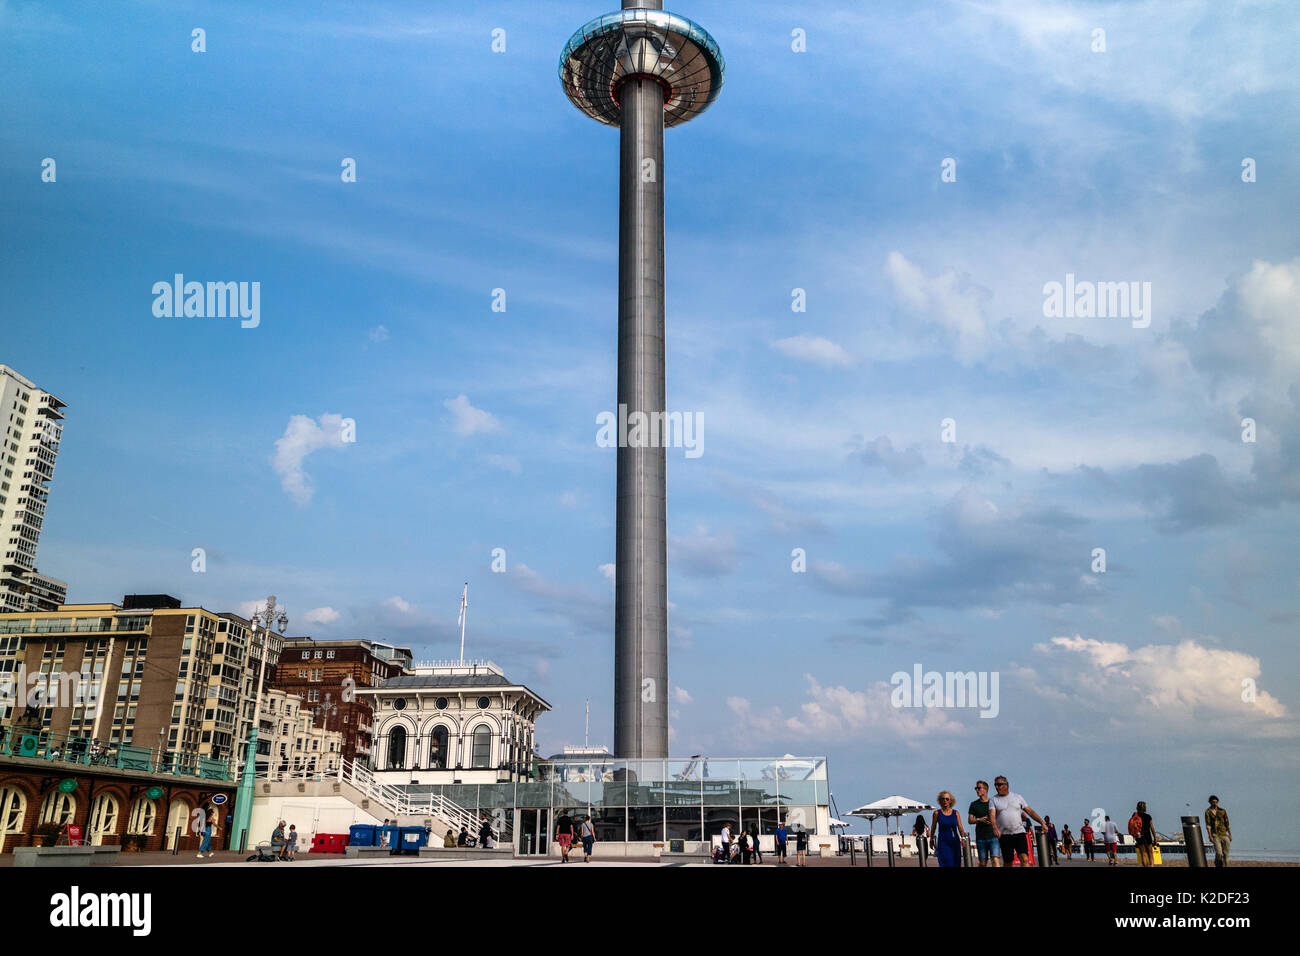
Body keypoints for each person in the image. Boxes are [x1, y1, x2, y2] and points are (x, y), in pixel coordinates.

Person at [988, 775, 1046, 867]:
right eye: (995, 785)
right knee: (1008, 862)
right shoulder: (993, 800)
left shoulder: (1017, 797)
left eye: (999, 785)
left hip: (1019, 833)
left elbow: (1030, 811)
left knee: (1024, 859)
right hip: (1004, 835)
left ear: (1006, 785)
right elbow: (992, 815)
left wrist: (1042, 822)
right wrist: (994, 828)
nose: (996, 787)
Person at [930, 790, 966, 867]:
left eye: (947, 799)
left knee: (956, 863)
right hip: (943, 843)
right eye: (943, 799)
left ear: (950, 800)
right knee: (946, 863)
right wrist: (931, 839)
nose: (945, 801)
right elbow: (933, 827)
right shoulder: (937, 813)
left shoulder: (956, 813)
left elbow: (960, 827)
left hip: (954, 842)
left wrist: (963, 838)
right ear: (940, 800)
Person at [969, 780, 998, 868]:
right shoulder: (974, 804)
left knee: (995, 860)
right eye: (976, 788)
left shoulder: (993, 802)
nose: (977, 790)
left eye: (979, 788)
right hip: (981, 838)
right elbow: (970, 820)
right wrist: (979, 819)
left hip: (993, 836)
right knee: (983, 863)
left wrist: (993, 820)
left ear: (985, 789)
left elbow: (1000, 817)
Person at [1205, 796, 1231, 868]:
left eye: (1216, 802)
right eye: (1213, 802)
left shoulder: (1222, 811)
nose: (1215, 803)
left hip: (1224, 834)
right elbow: (1208, 825)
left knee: (1226, 854)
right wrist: (1210, 836)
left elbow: (1227, 823)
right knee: (1219, 853)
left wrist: (1230, 834)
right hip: (1215, 835)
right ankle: (1217, 864)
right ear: (1210, 802)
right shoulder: (1208, 812)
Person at [1131, 801, 1156, 867]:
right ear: (1145, 808)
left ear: (1137, 807)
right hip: (1148, 835)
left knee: (1143, 854)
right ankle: (1152, 865)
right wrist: (1155, 838)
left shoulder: (1135, 816)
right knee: (1150, 853)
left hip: (1139, 836)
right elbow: (1152, 828)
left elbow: (1133, 826)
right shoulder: (1148, 816)